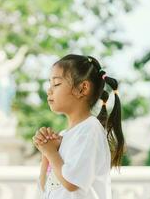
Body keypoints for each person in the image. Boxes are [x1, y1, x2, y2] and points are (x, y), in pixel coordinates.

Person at [32, 54, 125, 199]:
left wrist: (51, 153)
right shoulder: (65, 135)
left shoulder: (90, 130)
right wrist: (46, 152)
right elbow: (45, 188)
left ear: (82, 88)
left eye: (56, 84)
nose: (49, 90)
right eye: (49, 84)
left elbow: (71, 182)